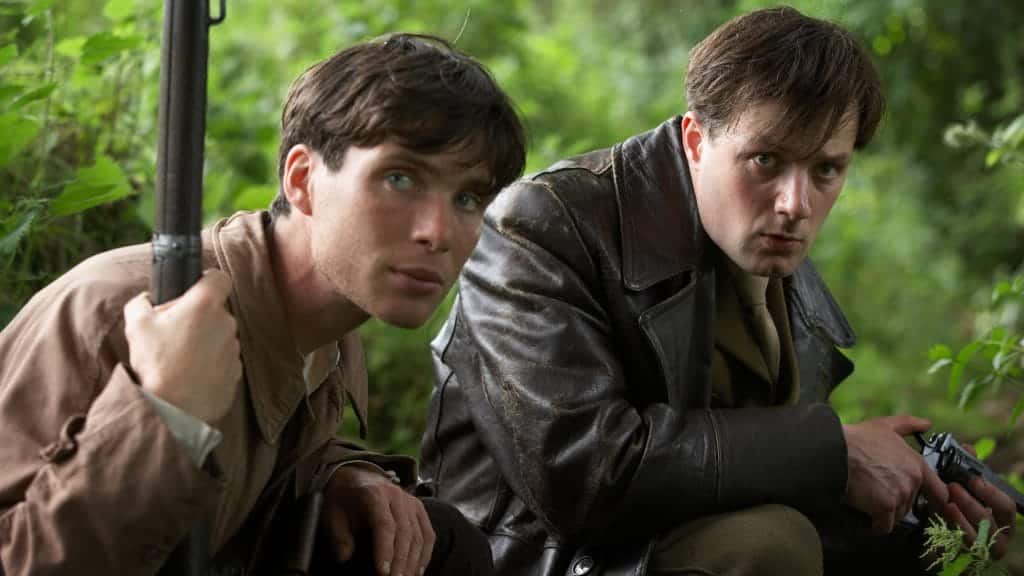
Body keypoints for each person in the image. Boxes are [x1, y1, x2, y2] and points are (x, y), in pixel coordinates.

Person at [418, 7, 1017, 576]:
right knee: (768, 546)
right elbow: (580, 471)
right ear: (696, 141)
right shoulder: (542, 223)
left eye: (826, 170)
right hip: (526, 556)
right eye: (765, 161)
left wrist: (909, 483)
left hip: (656, 540)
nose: (796, 204)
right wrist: (832, 453)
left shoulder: (773, 262)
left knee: (920, 540)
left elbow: (741, 468)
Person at [0, 33, 525, 576]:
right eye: (399, 178)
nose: (437, 232)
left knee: (437, 540)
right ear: (302, 180)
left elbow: (257, 448)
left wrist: (342, 475)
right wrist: (164, 418)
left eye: (467, 198)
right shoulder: (121, 311)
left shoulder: (331, 324)